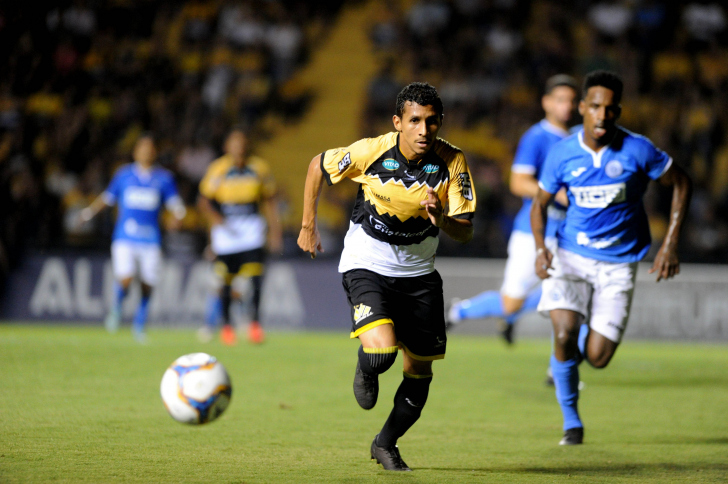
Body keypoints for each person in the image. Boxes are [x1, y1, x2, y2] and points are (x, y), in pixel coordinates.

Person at [297, 82, 476, 471]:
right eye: (414, 121)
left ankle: (385, 444)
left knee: (419, 371)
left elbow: (466, 229)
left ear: (440, 122)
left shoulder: (453, 162)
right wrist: (308, 224)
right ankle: (367, 365)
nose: (423, 130)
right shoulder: (371, 151)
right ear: (398, 122)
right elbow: (317, 165)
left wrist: (441, 219)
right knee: (380, 353)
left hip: (420, 274)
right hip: (368, 262)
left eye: (431, 122)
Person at [531, 70, 692, 445]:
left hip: (619, 263)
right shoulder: (562, 152)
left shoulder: (639, 150)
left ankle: (576, 346)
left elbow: (682, 182)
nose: (602, 116)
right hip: (569, 255)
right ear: (583, 108)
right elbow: (538, 206)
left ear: (618, 110)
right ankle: (572, 423)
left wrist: (670, 243)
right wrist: (541, 249)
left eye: (611, 108)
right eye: (596, 107)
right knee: (563, 331)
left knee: (598, 357)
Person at [446, 74, 578, 346]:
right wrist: (556, 195)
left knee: (572, 298)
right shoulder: (537, 137)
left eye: (572, 101)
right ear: (546, 102)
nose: (567, 106)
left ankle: (560, 374)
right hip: (534, 232)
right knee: (510, 304)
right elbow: (518, 182)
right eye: (561, 99)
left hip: (567, 234)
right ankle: (461, 310)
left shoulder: (576, 139)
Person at [79, 133, 187, 342]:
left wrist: (178, 217)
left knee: (147, 285)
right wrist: (88, 213)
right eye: (142, 147)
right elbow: (108, 198)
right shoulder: (124, 175)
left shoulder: (164, 178)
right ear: (136, 151)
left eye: (150, 148)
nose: (146, 151)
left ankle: (139, 326)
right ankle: (116, 309)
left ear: (154, 152)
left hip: (151, 239)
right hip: (125, 237)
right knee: (126, 278)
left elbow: (177, 206)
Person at [197, 128, 282, 345]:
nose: (239, 148)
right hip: (226, 232)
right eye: (234, 144)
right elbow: (204, 201)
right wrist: (216, 220)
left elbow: (270, 201)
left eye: (242, 143)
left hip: (251, 230)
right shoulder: (218, 169)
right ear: (227, 147)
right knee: (225, 281)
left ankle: (254, 324)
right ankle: (227, 326)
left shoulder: (259, 168)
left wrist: (275, 232)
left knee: (254, 279)